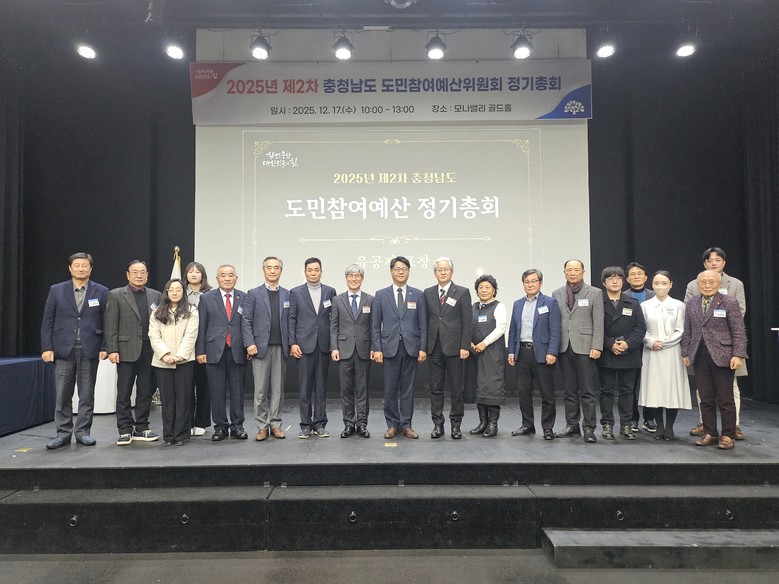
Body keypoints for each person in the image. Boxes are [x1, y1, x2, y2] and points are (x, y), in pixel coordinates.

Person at [40, 252, 109, 449]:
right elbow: (47, 321)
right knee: (63, 394)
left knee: (86, 394)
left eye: (84, 265)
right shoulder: (56, 290)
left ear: (91, 268)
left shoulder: (101, 291)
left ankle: (83, 432)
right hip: (63, 349)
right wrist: (46, 347)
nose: (81, 269)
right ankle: (63, 433)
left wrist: (105, 346)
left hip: (90, 348)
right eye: (77, 265)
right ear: (70, 268)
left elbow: (106, 321)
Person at [684, 247, 747, 440]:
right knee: (705, 398)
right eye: (703, 282)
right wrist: (686, 352)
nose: (707, 285)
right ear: (698, 284)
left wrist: (738, 354)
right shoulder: (692, 303)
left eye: (711, 282)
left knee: (726, 398)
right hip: (699, 355)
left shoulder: (729, 302)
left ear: (719, 283)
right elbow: (688, 329)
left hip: (724, 355)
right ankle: (709, 433)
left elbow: (738, 330)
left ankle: (728, 435)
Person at [105, 260, 162, 446]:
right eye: (135, 272)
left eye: (143, 272)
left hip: (149, 350)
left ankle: (142, 427)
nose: (139, 275)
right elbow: (110, 324)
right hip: (125, 350)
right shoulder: (116, 295)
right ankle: (124, 429)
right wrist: (112, 349)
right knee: (124, 392)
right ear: (128, 275)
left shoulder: (156, 295)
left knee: (145, 391)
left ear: (147, 275)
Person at [371, 256, 428, 440]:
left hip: (411, 347)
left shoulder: (418, 295)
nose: (401, 271)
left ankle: (406, 424)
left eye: (404, 268)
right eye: (397, 268)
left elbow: (423, 324)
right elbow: (375, 325)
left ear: (409, 271)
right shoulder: (381, 295)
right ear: (391, 271)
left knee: (408, 389)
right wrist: (377, 348)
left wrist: (423, 348)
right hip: (389, 348)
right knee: (390, 389)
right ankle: (392, 425)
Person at [552, 260, 604, 443]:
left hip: (585, 347)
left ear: (583, 272)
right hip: (564, 347)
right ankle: (572, 425)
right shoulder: (557, 293)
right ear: (564, 272)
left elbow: (598, 322)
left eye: (576, 270)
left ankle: (589, 428)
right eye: (569, 270)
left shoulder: (595, 292)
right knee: (569, 390)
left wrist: (596, 346)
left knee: (587, 390)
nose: (572, 273)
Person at [196, 265, 248, 442]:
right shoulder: (206, 298)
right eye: (223, 275)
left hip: (238, 350)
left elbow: (247, 324)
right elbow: (202, 325)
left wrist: (249, 346)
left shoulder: (244, 297)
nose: (227, 278)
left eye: (231, 275)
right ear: (217, 278)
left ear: (236, 278)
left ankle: (237, 426)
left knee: (237, 391)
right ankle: (220, 427)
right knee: (216, 391)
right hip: (214, 350)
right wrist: (200, 351)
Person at [507, 269, 560, 441]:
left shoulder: (550, 302)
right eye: (526, 282)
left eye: (533, 281)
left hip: (543, 354)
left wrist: (552, 351)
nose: (530, 285)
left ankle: (548, 428)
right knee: (524, 393)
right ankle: (527, 425)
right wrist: (511, 351)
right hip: (522, 352)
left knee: (547, 394)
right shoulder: (517, 304)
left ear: (540, 283)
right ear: (523, 284)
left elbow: (555, 330)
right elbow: (513, 330)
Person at [423, 257, 472, 440]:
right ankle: (438, 424)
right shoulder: (428, 293)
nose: (443, 272)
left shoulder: (462, 292)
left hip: (455, 348)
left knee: (456, 389)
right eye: (439, 270)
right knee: (435, 389)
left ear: (452, 271)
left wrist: (465, 346)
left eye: (446, 269)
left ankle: (456, 425)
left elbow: (467, 321)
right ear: (435, 273)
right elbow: (425, 321)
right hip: (434, 347)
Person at [242, 256, 290, 441]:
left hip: (281, 348)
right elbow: (246, 320)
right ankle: (262, 426)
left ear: (281, 271)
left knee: (278, 390)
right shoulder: (253, 294)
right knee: (260, 391)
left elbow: (291, 322)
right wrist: (249, 343)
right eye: (269, 267)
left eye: (276, 267)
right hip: (260, 349)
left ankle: (276, 424)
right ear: (264, 270)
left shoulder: (287, 294)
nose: (272, 271)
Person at [639, 271, 691, 440]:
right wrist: (651, 342)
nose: (660, 287)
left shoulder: (678, 305)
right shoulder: (645, 305)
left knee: (671, 389)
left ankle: (669, 427)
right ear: (652, 285)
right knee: (654, 390)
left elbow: (681, 329)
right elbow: (641, 329)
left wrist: (665, 343)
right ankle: (659, 426)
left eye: (664, 283)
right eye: (656, 283)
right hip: (651, 352)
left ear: (671, 285)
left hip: (672, 351)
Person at [596, 267, 646, 441]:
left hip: (629, 353)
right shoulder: (598, 302)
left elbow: (641, 328)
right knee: (606, 391)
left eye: (618, 278)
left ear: (623, 281)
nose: (615, 281)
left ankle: (626, 424)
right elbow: (595, 328)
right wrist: (610, 344)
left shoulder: (633, 303)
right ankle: (607, 424)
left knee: (627, 391)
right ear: (604, 283)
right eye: (610, 278)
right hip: (607, 353)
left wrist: (628, 344)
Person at [289, 257, 337, 439]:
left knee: (321, 388)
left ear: (321, 272)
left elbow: (333, 319)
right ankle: (305, 425)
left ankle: (320, 423)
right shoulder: (296, 292)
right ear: (305, 272)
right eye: (310, 270)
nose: (313, 273)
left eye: (317, 270)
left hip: (323, 345)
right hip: (303, 346)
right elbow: (291, 319)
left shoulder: (330, 291)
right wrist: (293, 343)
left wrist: (333, 344)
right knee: (304, 388)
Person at [149, 278, 199, 446]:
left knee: (183, 398)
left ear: (183, 292)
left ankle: (182, 434)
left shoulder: (192, 311)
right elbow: (154, 335)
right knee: (167, 399)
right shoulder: (157, 312)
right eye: (172, 289)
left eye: (179, 289)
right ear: (167, 292)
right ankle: (169, 435)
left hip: (184, 361)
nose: (175, 292)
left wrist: (179, 356)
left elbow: (191, 335)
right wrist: (165, 355)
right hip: (162, 361)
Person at [330, 264, 374, 438]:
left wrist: (374, 347)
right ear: (346, 279)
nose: (354, 279)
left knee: (363, 390)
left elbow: (373, 326)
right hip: (343, 350)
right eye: (350, 276)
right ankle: (349, 424)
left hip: (364, 350)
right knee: (346, 390)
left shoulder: (370, 299)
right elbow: (333, 326)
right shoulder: (337, 300)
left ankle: (362, 424)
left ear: (362, 279)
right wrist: (334, 347)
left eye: (357, 276)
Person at [469, 275, 507, 438]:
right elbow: (466, 326)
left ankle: (492, 424)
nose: (484, 290)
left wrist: (484, 343)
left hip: (492, 353)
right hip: (474, 353)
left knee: (492, 387)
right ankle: (482, 423)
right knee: (480, 387)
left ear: (494, 290)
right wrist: (469, 342)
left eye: (487, 287)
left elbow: (501, 328)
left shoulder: (499, 306)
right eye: (481, 287)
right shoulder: (472, 307)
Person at [625, 262, 656, 433]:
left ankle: (649, 418)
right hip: (631, 345)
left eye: (640, 274)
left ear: (646, 277)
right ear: (627, 279)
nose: (636, 276)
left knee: (651, 382)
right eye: (632, 274)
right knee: (631, 384)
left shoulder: (655, 295)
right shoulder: (623, 296)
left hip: (652, 345)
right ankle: (633, 418)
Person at [184, 261, 212, 437]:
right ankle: (187, 422)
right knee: (186, 386)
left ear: (203, 275)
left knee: (203, 385)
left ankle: (201, 422)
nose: (194, 274)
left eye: (197, 272)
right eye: (190, 272)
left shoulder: (210, 294)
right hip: (183, 346)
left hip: (204, 345)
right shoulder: (178, 292)